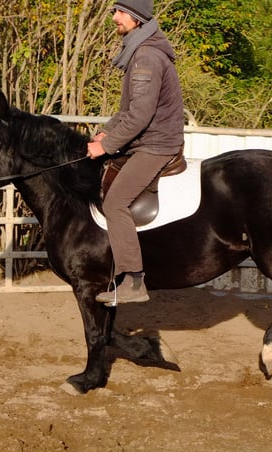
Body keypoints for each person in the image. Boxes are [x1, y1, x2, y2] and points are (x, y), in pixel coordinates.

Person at [87, 0, 184, 305]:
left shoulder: (145, 57)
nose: (114, 17)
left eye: (120, 12)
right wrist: (106, 131)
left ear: (137, 18)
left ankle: (133, 280)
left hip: (156, 144)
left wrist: (106, 145)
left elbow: (140, 115)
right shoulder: (141, 51)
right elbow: (126, 110)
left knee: (115, 202)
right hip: (149, 139)